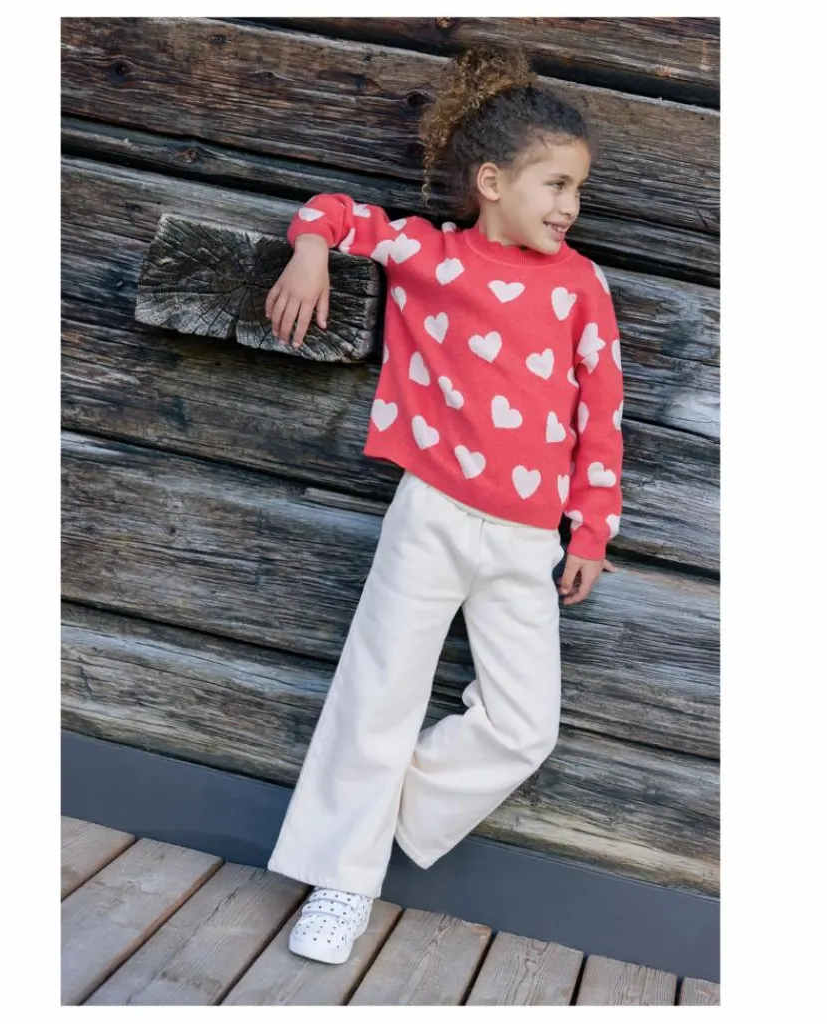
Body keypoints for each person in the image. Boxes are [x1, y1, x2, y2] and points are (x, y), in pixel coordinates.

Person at [263, 45, 624, 965]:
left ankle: (371, 818)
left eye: (578, 190)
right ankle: (342, 880)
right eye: (555, 184)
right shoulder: (431, 255)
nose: (569, 206)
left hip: (527, 539)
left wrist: (591, 527)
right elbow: (334, 213)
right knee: (378, 693)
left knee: (524, 725)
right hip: (430, 515)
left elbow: (602, 414)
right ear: (493, 182)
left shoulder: (582, 288)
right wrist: (310, 252)